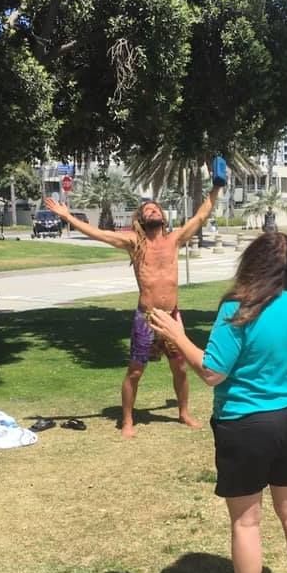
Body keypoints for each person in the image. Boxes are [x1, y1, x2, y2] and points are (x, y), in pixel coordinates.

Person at [149, 232, 287, 573]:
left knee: (246, 523)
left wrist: (178, 337)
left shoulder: (238, 308)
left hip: (246, 425)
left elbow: (213, 372)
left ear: (251, 264)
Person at [45, 183, 222, 438]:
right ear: (141, 219)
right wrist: (67, 217)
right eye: (147, 210)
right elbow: (99, 234)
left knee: (180, 368)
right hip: (147, 317)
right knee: (135, 371)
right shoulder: (134, 242)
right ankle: (127, 420)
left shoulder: (175, 240)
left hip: (172, 316)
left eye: (155, 209)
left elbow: (202, 214)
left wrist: (217, 187)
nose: (152, 211)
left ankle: (183, 412)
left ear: (162, 216)